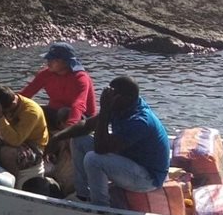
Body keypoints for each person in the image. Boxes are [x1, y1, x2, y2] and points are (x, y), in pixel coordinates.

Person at [69, 76, 170, 206]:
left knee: (93, 159)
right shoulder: (122, 106)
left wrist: (105, 109)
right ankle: (83, 195)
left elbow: (100, 148)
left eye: (112, 94)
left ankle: (100, 207)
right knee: (79, 139)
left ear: (126, 98)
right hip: (130, 162)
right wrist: (55, 139)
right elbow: (86, 126)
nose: (108, 97)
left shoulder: (140, 121)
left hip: (148, 178)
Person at [0, 86, 49, 176]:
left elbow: (15, 141)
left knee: (8, 153)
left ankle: (11, 181)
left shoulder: (31, 112)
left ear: (11, 105)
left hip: (33, 147)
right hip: (8, 140)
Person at [20, 41, 96, 130]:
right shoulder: (46, 74)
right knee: (32, 109)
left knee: (64, 112)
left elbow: (79, 104)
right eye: (48, 59)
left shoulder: (80, 78)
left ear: (66, 62)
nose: (48, 63)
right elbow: (27, 93)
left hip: (83, 118)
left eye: (53, 60)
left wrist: (69, 128)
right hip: (56, 113)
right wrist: (10, 105)